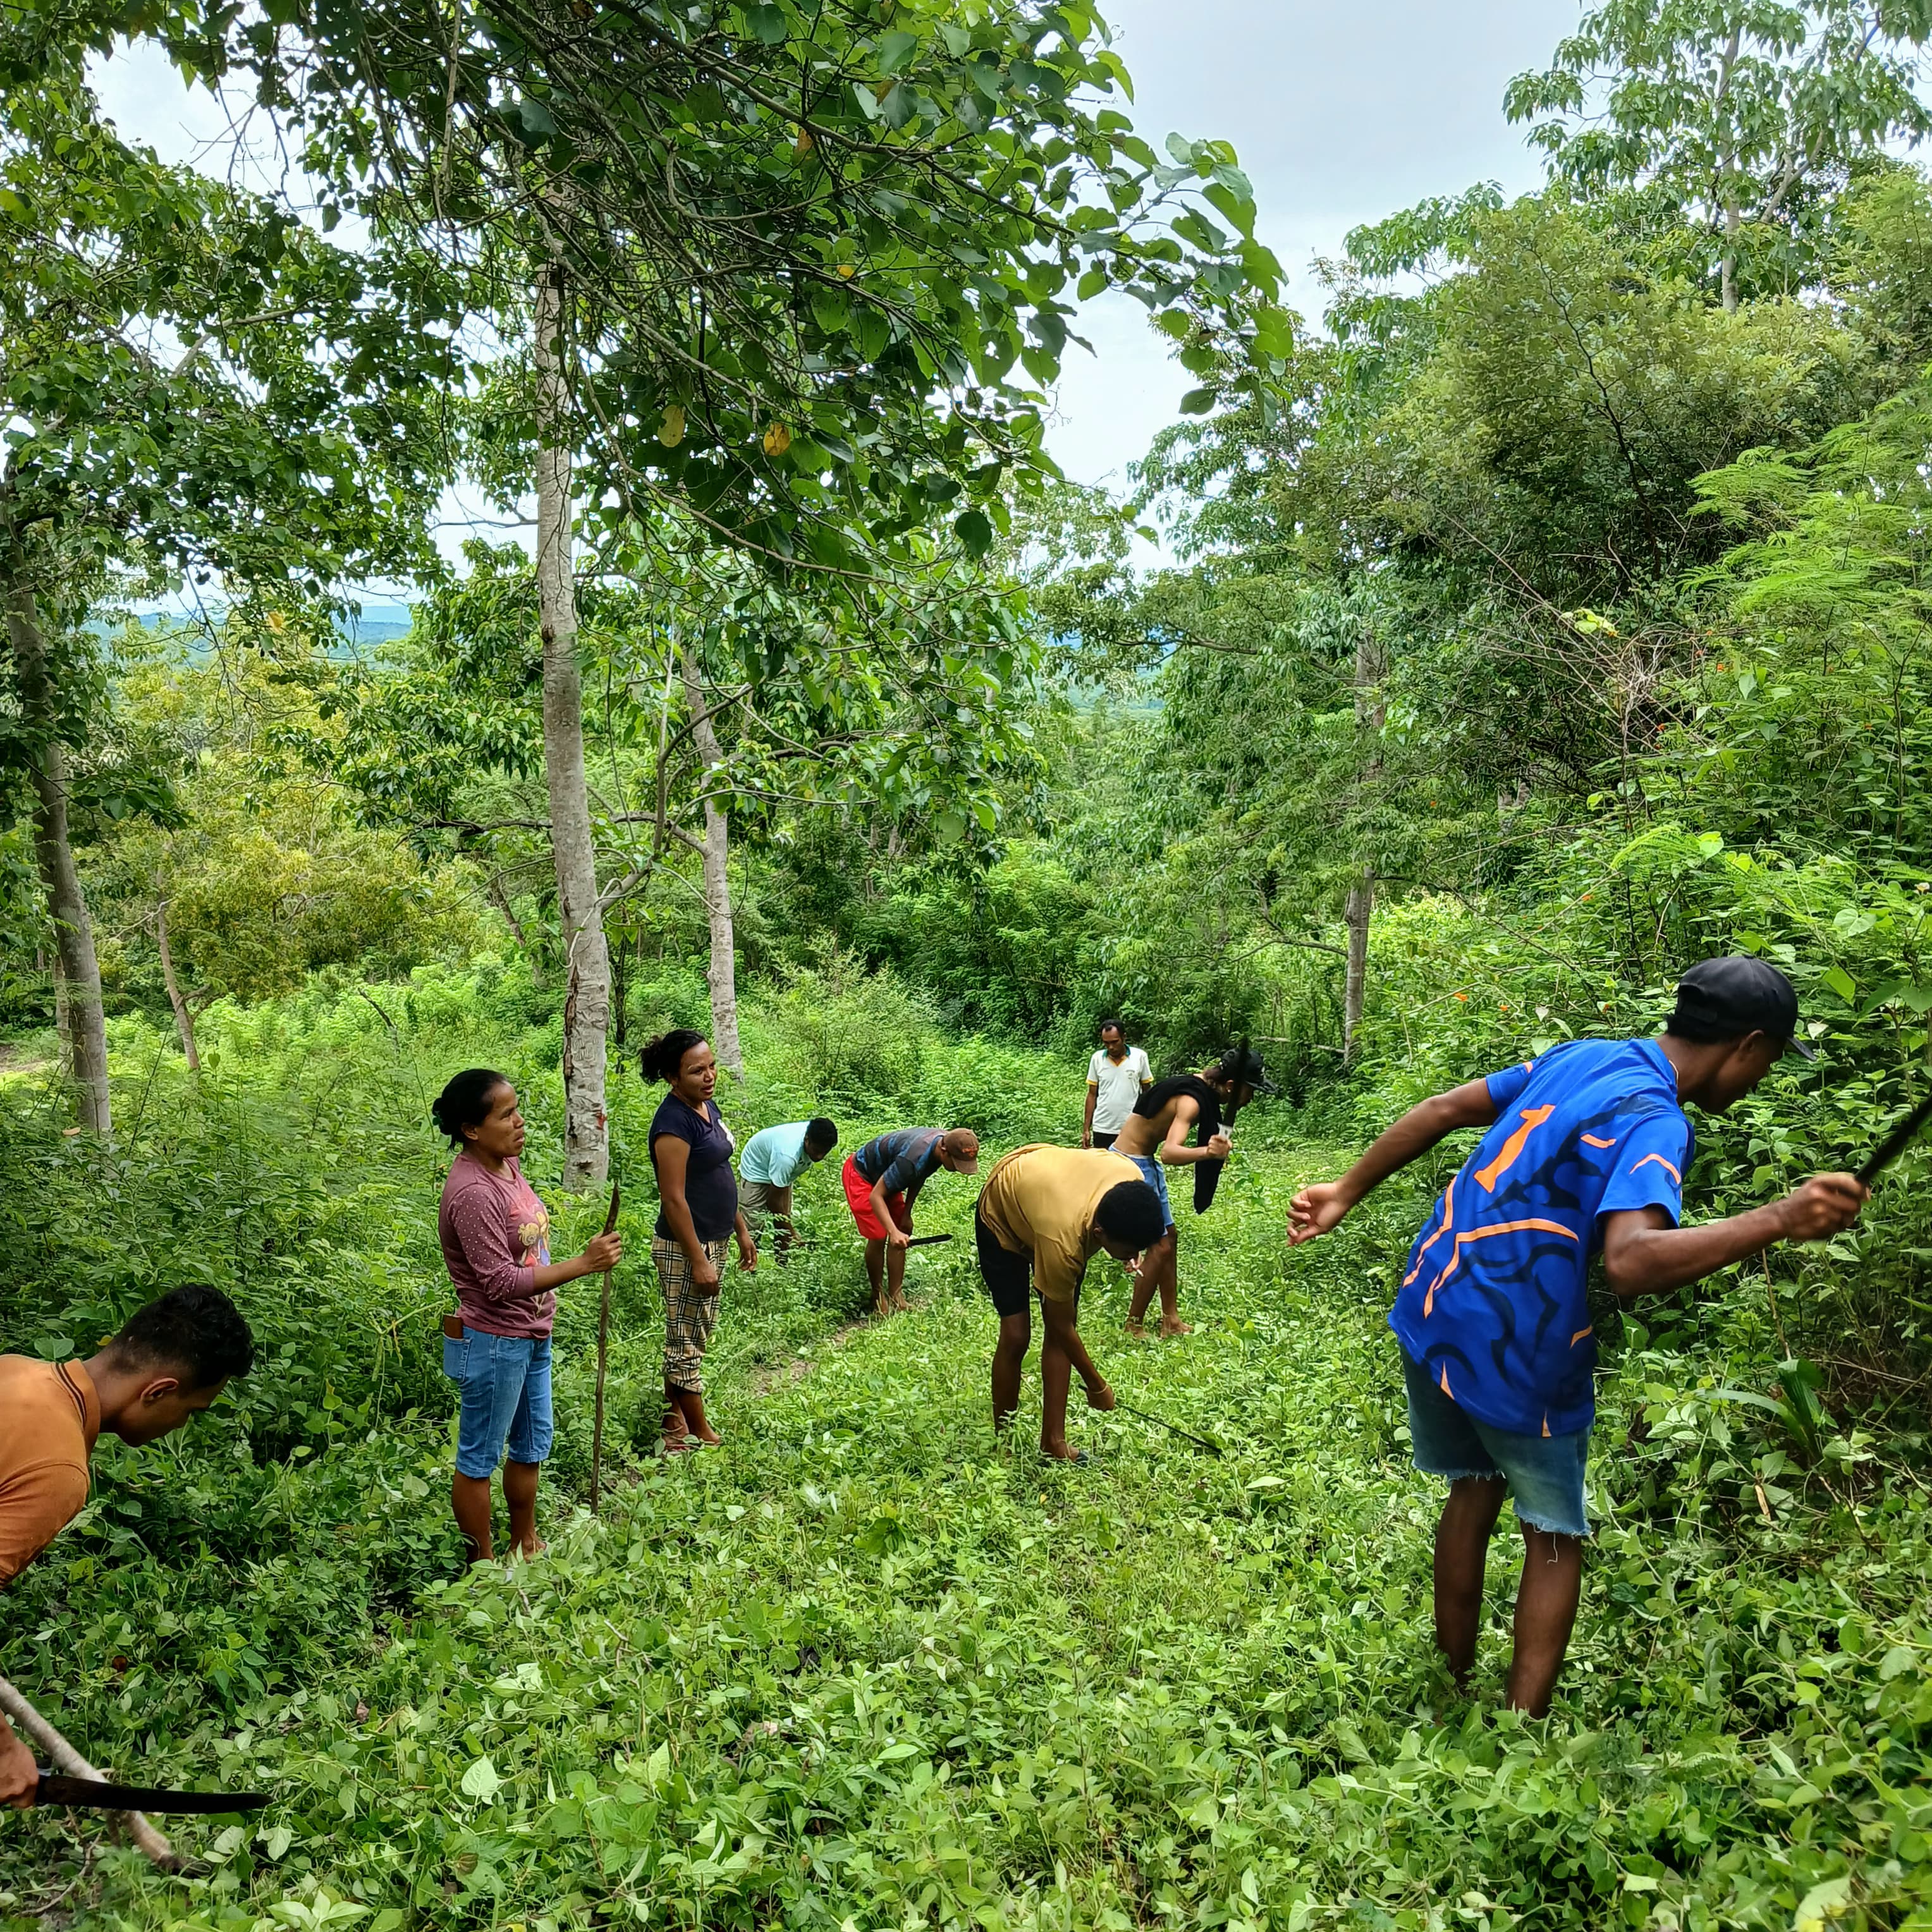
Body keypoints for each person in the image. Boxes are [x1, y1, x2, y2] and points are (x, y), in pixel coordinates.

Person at [1285, 956, 1868, 1716]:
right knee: (1553, 1533)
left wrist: (1343, 1190)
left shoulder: (1584, 1054)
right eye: (1765, 1064)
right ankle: (1521, 1729)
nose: (1757, 1080)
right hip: (1519, 1347)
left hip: (1434, 1296)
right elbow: (1630, 1262)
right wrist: (1778, 1220)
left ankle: (1452, 1675)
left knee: (1474, 1484)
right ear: (1749, 1045)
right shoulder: (1658, 1120)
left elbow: (1438, 1107)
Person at [1, 1283, 255, 1808]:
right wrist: (4, 1751)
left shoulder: (14, 1370)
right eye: (191, 1410)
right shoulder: (59, 1468)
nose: (181, 1425)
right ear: (158, 1390)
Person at [434, 1068, 621, 1562]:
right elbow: (497, 1284)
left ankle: (526, 1543)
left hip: (532, 1333)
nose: (520, 1122)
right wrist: (583, 1264)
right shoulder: (474, 1192)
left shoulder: (504, 1166)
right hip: (496, 1340)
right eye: (506, 1114)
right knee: (479, 1459)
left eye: (517, 1110)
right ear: (472, 1130)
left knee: (530, 1444)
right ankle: (483, 1565)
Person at [976, 1146, 1166, 1462]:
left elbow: (1062, 1331)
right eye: (1127, 1250)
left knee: (1059, 1337)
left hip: (1048, 1191)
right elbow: (1059, 1325)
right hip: (1003, 1210)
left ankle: (1054, 1441)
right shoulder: (1063, 1242)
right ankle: (1004, 1441)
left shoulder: (1131, 1182)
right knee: (1017, 1334)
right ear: (1098, 1233)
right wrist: (1096, 1385)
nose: (1133, 1256)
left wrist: (1132, 1250)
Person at [1111, 1041, 1276, 1338]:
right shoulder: (1193, 1101)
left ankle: (1170, 1320)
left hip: (1143, 1159)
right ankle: (1133, 1325)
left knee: (1169, 1239)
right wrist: (1208, 1154)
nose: (1251, 1097)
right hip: (1130, 1162)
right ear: (1229, 1085)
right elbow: (1171, 1153)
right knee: (1159, 1246)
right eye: (1249, 1089)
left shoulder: (1204, 1084)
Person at [642, 1029, 757, 1452]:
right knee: (686, 1338)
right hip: (685, 1246)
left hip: (716, 1237)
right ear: (674, 1077)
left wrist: (741, 1230)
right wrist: (699, 1259)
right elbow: (673, 1199)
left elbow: (717, 1176)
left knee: (693, 1331)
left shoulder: (707, 1106)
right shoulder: (672, 1124)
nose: (709, 1076)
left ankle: (673, 1425)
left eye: (711, 1067)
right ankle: (696, 1429)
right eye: (697, 1071)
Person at [841, 1125, 980, 1316]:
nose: (958, 1169)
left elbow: (919, 1175)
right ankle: (877, 1295)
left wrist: (907, 1214)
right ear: (944, 1151)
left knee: (902, 1229)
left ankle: (896, 1295)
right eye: (957, 1163)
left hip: (887, 1176)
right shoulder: (911, 1159)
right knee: (880, 1234)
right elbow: (876, 1196)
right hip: (862, 1175)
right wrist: (893, 1231)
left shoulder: (941, 1145)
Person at [737, 1116, 839, 1261]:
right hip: (757, 1170)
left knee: (784, 1217)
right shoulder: (787, 1156)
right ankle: (748, 1267)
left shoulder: (816, 1134)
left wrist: (787, 1228)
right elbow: (774, 1203)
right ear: (807, 1140)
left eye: (825, 1152)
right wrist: (793, 1233)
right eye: (816, 1150)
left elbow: (780, 1211)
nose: (819, 1156)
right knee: (752, 1226)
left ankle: (782, 1263)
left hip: (781, 1170)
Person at [1082, 1018, 1151, 1151]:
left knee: (1129, 1167)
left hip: (1130, 1126)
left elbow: (1147, 1092)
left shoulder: (1140, 1057)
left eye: (1115, 1042)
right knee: (1103, 1168)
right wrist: (1086, 1129)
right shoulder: (1097, 1059)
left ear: (1124, 1037)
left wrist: (1146, 1123)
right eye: (1106, 1043)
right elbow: (1092, 1094)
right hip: (1103, 1126)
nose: (1111, 1047)